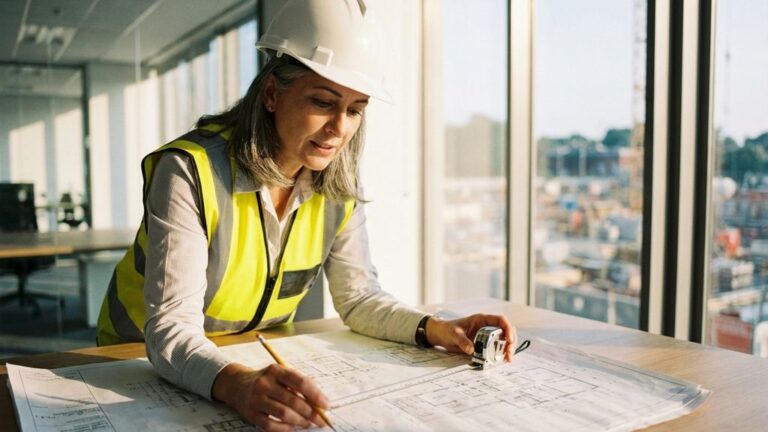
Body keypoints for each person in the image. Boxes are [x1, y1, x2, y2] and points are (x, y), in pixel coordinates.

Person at [96, 0, 517, 430]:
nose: (340, 127)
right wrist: (238, 385)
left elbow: (359, 298)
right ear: (273, 94)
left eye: (355, 109)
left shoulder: (335, 184)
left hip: (251, 361)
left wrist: (435, 329)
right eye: (323, 102)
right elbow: (169, 328)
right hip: (130, 364)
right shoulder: (190, 171)